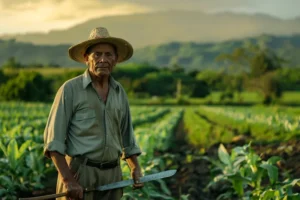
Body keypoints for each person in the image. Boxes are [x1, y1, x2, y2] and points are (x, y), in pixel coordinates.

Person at [43, 27, 144, 200]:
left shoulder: (119, 92)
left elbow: (127, 137)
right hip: (80, 173)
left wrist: (135, 167)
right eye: (97, 54)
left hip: (113, 174)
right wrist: (68, 180)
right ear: (86, 58)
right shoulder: (70, 90)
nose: (103, 59)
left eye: (108, 54)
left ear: (116, 59)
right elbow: (54, 142)